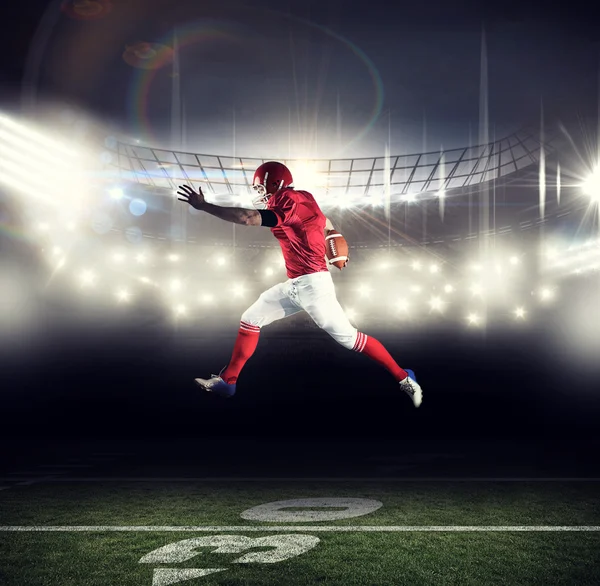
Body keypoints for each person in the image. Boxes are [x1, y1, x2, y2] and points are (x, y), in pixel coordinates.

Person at [176, 161, 423, 407]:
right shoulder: (302, 197)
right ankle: (228, 381)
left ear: (276, 184)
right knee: (251, 318)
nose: (260, 195)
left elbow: (247, 217)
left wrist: (204, 206)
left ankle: (404, 378)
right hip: (296, 284)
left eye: (262, 189)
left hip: (314, 287)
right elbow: (325, 222)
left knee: (350, 339)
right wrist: (335, 239)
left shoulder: (288, 201)